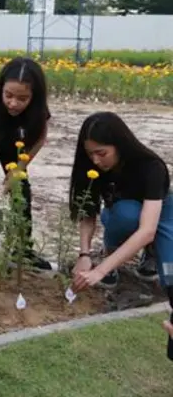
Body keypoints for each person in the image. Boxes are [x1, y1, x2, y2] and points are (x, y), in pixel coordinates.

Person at [68, 111, 172, 358]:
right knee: (126, 214)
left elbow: (148, 229)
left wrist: (99, 271)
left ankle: (152, 256)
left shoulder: (152, 167)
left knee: (171, 276)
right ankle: (112, 253)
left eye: (101, 153)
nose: (95, 160)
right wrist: (85, 255)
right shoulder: (91, 168)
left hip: (162, 213)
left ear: (120, 145)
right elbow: (88, 213)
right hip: (124, 215)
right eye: (90, 154)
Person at [0, 56, 52, 270]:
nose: (14, 103)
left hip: (12, 140)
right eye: (8, 95)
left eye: (22, 98)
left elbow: (40, 138)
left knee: (21, 190)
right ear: (1, 89)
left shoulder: (39, 109)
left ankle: (23, 250)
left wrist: (18, 170)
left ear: (34, 96)